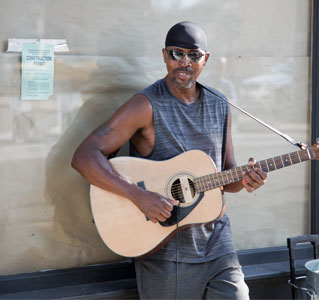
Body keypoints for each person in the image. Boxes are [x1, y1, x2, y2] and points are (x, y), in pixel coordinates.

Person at [71, 21, 268, 299]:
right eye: (176, 54)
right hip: (165, 249)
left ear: (205, 59)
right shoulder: (146, 105)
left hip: (217, 243)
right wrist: (139, 196)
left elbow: (226, 176)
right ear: (165, 55)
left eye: (193, 55)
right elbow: (84, 156)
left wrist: (246, 180)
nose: (184, 63)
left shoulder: (220, 104)